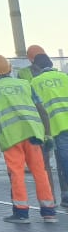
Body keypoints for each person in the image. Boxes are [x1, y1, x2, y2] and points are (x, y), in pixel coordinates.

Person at [0, 54, 57, 223]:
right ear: (10, 68)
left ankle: (21, 213)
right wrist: (47, 134)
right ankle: (49, 212)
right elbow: (42, 110)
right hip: (33, 134)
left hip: (11, 138)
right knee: (40, 172)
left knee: (16, 173)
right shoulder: (26, 85)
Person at [29, 53, 68, 208]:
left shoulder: (35, 82)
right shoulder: (65, 77)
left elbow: (35, 108)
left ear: (37, 67)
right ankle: (65, 195)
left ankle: (64, 196)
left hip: (56, 126)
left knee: (64, 161)